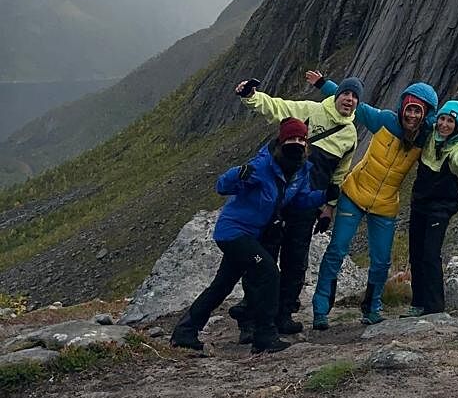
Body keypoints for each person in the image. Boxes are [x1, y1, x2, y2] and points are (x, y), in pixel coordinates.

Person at [170, 118, 325, 355]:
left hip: (251, 235)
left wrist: (323, 196)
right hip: (234, 232)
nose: (296, 143)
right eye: (291, 139)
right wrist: (238, 173)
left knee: (222, 284)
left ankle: (185, 332)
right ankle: (264, 335)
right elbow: (222, 186)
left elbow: (298, 200)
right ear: (281, 141)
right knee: (269, 272)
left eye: (301, 139)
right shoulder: (262, 166)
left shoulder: (300, 170)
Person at [236, 70, 362, 333]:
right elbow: (277, 107)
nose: (349, 99)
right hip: (279, 200)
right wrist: (251, 96)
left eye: (354, 97)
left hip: (306, 206)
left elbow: (338, 174)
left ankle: (283, 314)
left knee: (296, 261)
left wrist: (329, 208)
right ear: (337, 95)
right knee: (265, 256)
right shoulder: (309, 110)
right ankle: (251, 318)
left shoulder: (350, 135)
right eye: (346, 93)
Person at [311, 82, 438, 329]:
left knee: (381, 261)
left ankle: (372, 308)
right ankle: (321, 309)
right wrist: (322, 83)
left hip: (385, 204)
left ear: (425, 114)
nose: (412, 115)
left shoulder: (425, 138)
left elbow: (454, 129)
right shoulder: (384, 120)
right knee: (337, 250)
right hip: (354, 193)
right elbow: (351, 101)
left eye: (418, 111)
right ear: (403, 107)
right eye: (409, 109)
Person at [408, 99, 458, 315]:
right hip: (419, 202)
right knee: (416, 253)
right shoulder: (429, 135)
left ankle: (435, 307)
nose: (445, 124)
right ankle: (418, 303)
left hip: (441, 206)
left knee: (430, 253)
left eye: (450, 121)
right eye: (443, 119)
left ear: (457, 125)